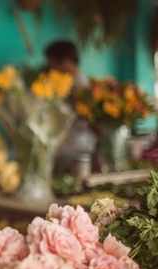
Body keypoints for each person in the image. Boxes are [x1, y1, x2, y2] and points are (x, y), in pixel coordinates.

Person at [44, 40, 96, 174]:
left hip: (76, 147)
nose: (50, 67)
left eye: (52, 62)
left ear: (65, 61)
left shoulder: (80, 86)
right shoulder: (67, 82)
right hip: (67, 144)